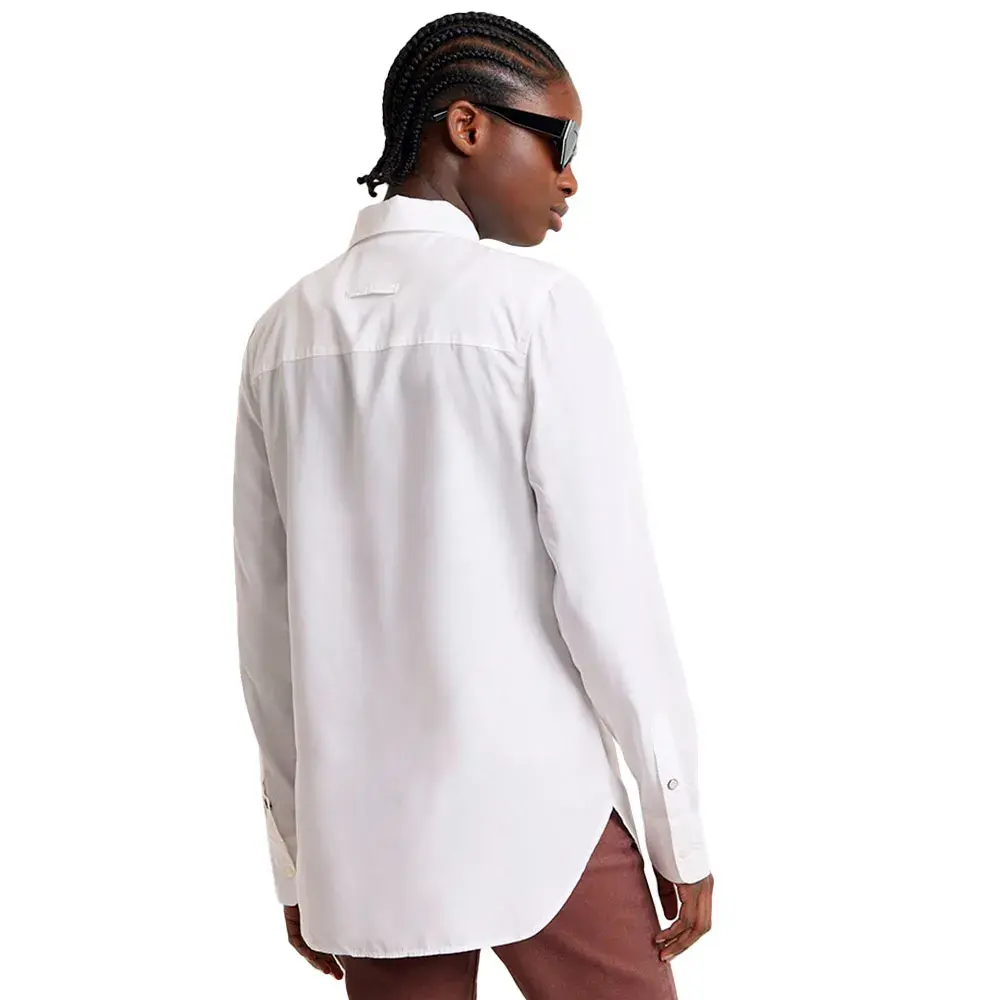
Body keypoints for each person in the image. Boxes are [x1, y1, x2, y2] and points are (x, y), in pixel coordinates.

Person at [232, 11, 714, 998]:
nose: (571, 178)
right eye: (559, 141)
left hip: (366, 837)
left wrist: (298, 856)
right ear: (466, 126)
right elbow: (610, 596)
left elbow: (266, 631)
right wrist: (680, 828)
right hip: (542, 817)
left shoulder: (279, 335)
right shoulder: (534, 308)